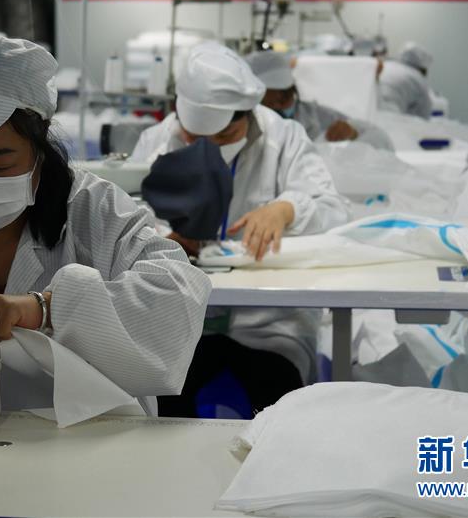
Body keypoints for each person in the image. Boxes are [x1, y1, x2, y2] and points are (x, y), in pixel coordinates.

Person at [0, 35, 209, 410]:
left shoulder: (94, 209)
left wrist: (47, 308)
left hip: (93, 433)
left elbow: (178, 297)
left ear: (39, 147)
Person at [130, 42, 349, 416]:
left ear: (247, 116)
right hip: (182, 319)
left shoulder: (283, 139)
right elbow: (126, 213)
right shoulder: (158, 141)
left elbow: (333, 210)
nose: (209, 148)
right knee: (161, 405)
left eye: (223, 137)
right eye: (195, 138)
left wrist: (286, 209)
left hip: (268, 322)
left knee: (279, 405)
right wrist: (162, 237)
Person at [246, 49, 394, 151]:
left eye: (285, 91)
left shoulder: (318, 116)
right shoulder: (244, 123)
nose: (279, 98)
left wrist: (353, 133)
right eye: (270, 93)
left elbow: (382, 141)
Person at [378, 41, 433, 119]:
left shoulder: (385, 65)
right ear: (423, 67)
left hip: (366, 112)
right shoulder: (418, 79)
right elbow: (423, 116)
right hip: (389, 117)